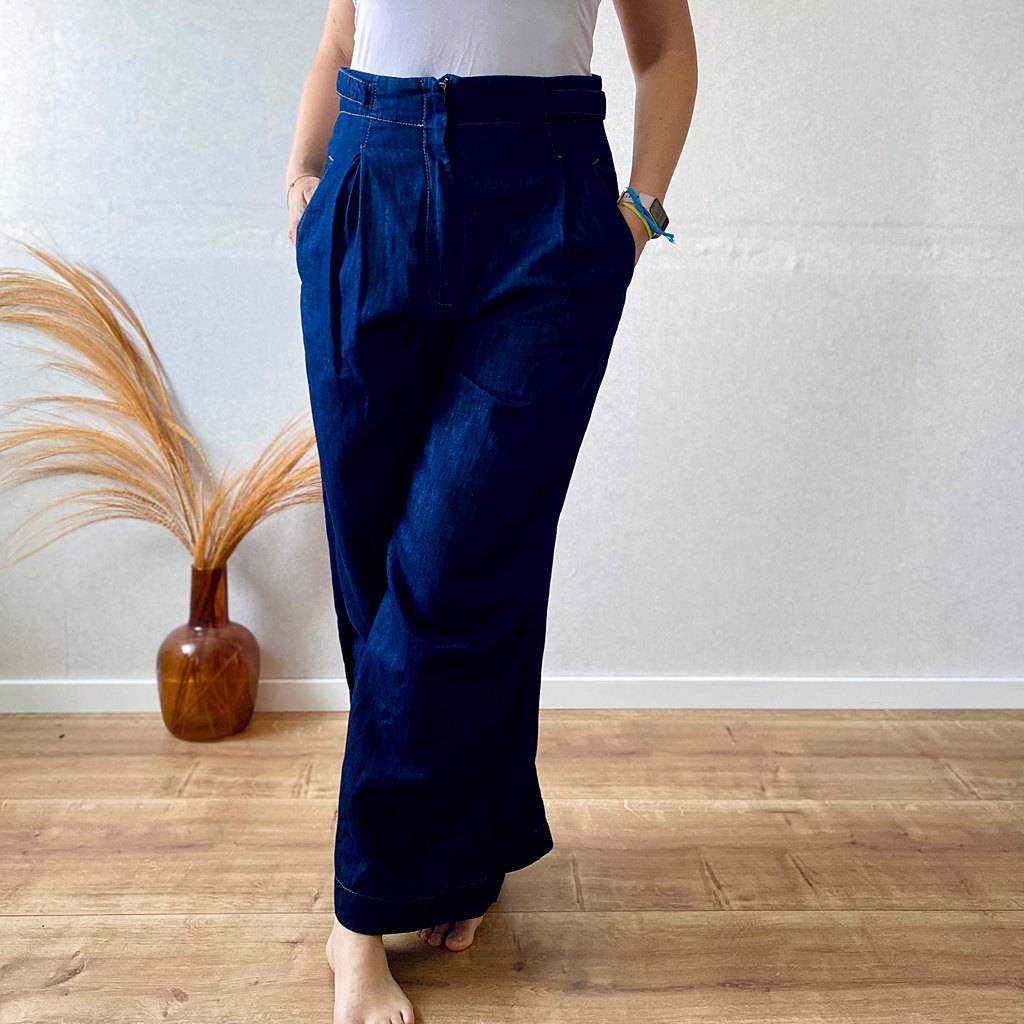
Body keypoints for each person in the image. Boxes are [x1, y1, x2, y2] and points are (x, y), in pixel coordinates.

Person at [284, 1, 697, 1020]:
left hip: (542, 205)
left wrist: (639, 213)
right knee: (375, 570)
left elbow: (664, 51)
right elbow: (343, 33)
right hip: (368, 182)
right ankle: (462, 848)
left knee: (454, 563)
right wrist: (303, 172)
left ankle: (359, 915)